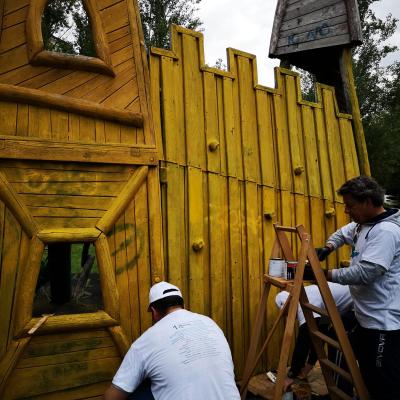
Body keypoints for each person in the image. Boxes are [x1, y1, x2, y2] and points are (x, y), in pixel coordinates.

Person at [317, 175, 400, 400]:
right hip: (365, 315)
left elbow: (366, 273)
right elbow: (343, 233)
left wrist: (324, 274)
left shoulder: (386, 232)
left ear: (367, 202)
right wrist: (328, 248)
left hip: (383, 322)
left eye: (350, 206)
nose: (346, 211)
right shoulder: (362, 224)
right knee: (367, 375)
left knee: (383, 382)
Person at [104, 281, 240, 400]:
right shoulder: (210, 323)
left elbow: (113, 396)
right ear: (183, 305)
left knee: (135, 387)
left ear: (154, 311)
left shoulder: (146, 340)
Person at [275, 282, 354, 391]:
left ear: (289, 304)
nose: (288, 316)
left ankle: (342, 392)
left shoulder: (305, 305)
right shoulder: (305, 297)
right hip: (348, 305)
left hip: (358, 304)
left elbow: (303, 343)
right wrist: (310, 364)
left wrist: (292, 374)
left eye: (286, 313)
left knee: (337, 342)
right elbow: (321, 334)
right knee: (330, 335)